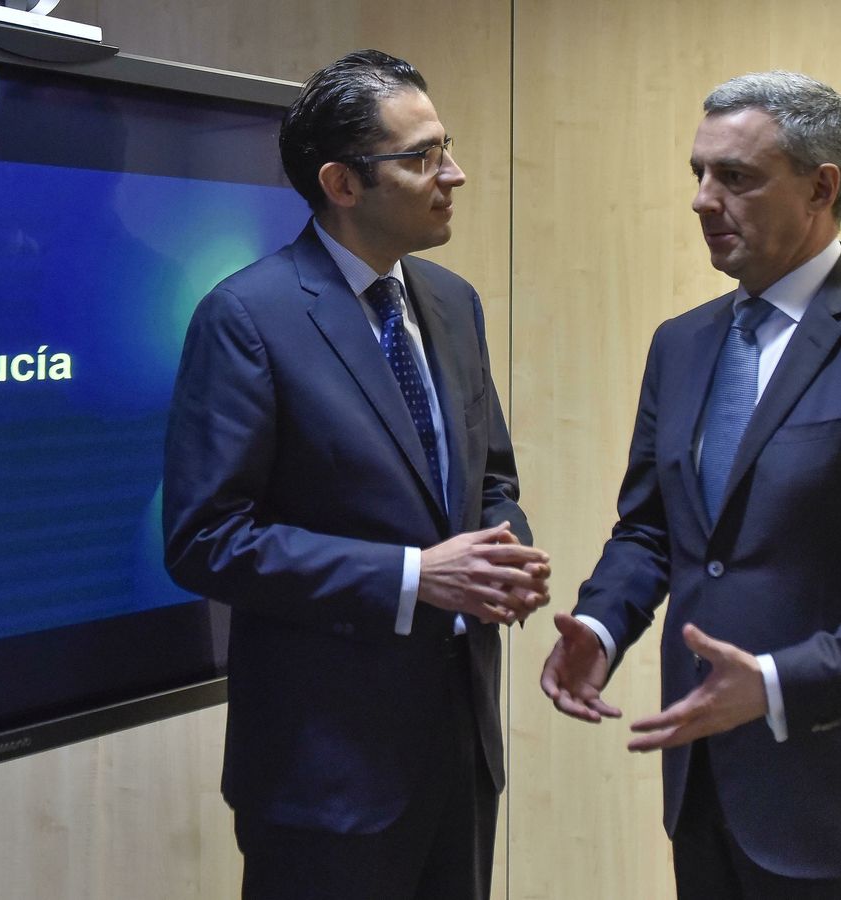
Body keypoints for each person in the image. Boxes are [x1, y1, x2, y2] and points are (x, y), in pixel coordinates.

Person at [540, 71, 841, 899]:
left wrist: (783, 683)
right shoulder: (679, 346)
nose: (703, 200)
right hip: (705, 791)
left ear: (821, 188)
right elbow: (653, 529)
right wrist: (603, 625)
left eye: (737, 177)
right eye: (699, 174)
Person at [163, 49, 550, 900]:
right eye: (421, 158)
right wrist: (415, 577)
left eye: (446, 145)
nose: (454, 173)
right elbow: (206, 540)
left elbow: (491, 477)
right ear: (341, 183)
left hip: (459, 752)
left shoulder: (452, 302)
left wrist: (503, 551)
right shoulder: (247, 319)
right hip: (323, 778)